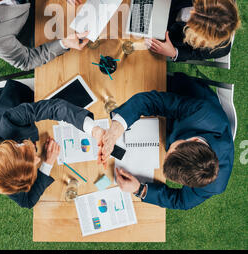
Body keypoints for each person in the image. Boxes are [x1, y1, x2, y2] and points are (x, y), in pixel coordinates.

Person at [98, 72, 234, 210]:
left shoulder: (214, 184)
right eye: (170, 150)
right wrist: (116, 129)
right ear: (193, 140)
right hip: (185, 96)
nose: (166, 150)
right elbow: (151, 101)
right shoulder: (202, 112)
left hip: (171, 126)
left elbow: (182, 201)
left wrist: (140, 190)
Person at [0, 79, 103, 208]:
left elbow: (53, 108)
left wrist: (93, 129)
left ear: (16, 145)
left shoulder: (9, 120)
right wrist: (47, 164)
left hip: (8, 100)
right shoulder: (2, 178)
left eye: (30, 155)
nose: (38, 158)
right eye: (35, 162)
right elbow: (27, 201)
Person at [144, 0, 241, 62]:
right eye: (197, 6)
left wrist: (174, 53)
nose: (189, 14)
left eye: (193, 21)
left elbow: (193, 54)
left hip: (167, 32)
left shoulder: (220, 49)